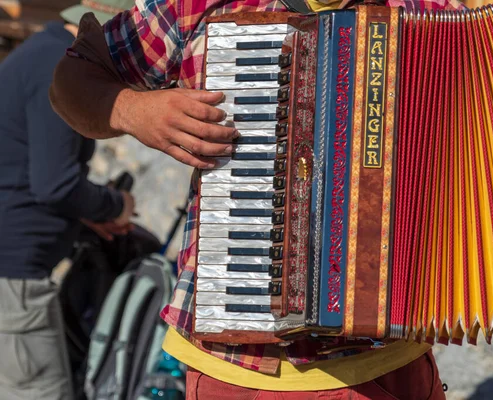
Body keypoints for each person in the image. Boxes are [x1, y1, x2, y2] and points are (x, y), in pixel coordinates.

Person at [50, 0, 465, 398]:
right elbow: (73, 79)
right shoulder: (198, 5)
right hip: (236, 372)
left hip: (388, 362)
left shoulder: (426, 13)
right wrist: (133, 111)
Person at [0, 0, 136, 398]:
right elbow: (54, 184)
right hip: (16, 275)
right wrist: (116, 206)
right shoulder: (56, 66)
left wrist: (88, 214)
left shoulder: (41, 51)